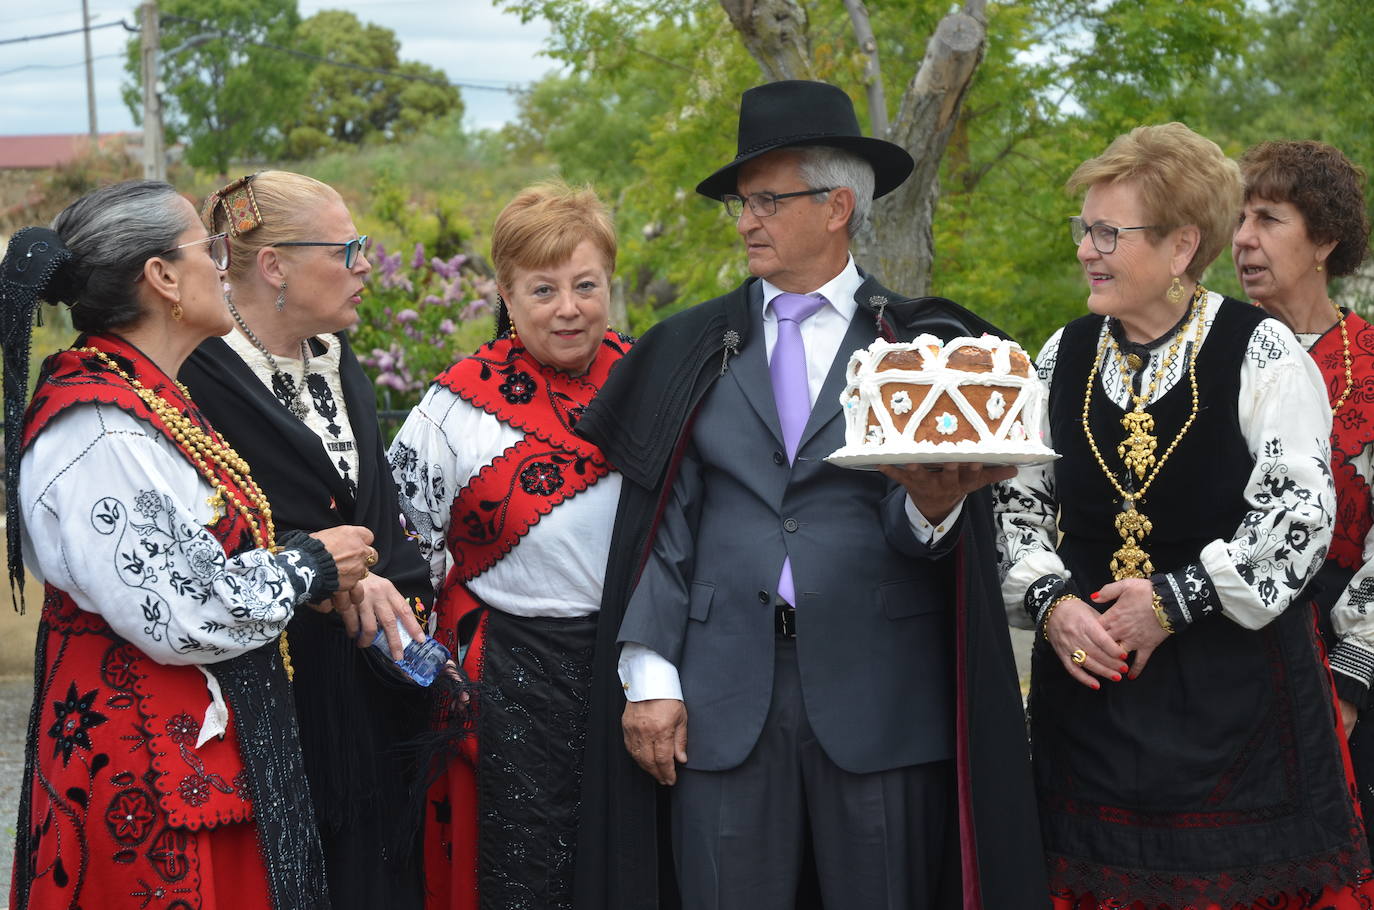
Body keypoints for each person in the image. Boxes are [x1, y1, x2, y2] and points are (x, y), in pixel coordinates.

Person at [574, 79, 1047, 909]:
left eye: (765, 200)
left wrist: (935, 508)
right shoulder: (692, 346)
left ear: (837, 207)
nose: (747, 220)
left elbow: (924, 530)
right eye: (740, 205)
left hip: (883, 702)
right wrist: (650, 679)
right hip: (718, 707)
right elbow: (659, 529)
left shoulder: (921, 345)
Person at [995, 123, 1374, 908]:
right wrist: (1053, 605)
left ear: (1179, 248)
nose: (1087, 250)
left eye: (1109, 232)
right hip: (1089, 705)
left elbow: (1298, 515)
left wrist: (1175, 599)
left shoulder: (1263, 352)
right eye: (1084, 230)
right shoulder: (1060, 355)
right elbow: (1012, 507)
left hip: (1235, 712)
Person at [2, 180, 376, 910]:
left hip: (192, 758)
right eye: (207, 251)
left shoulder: (147, 397)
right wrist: (309, 565)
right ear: (162, 278)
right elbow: (183, 607)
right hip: (146, 778)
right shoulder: (98, 428)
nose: (222, 263)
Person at [179, 171, 434, 910]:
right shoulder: (200, 371)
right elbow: (208, 521)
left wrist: (384, 586)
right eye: (346, 249)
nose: (365, 266)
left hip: (371, 678)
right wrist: (332, 575)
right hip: (280, 687)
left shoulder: (335, 360)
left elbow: (372, 508)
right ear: (274, 265)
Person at [387, 181, 632, 910]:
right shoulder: (453, 407)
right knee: (519, 870)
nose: (568, 308)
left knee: (626, 863)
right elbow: (409, 553)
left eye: (586, 286)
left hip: (633, 667)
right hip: (506, 676)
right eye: (543, 288)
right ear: (505, 290)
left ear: (609, 285)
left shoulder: (652, 383)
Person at [1233, 139, 1374, 838]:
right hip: (1221, 661)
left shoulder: (1373, 364)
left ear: (1324, 238)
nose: (1243, 240)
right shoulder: (1211, 354)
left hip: (1347, 673)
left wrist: (1350, 677)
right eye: (1238, 219)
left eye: (1267, 218)